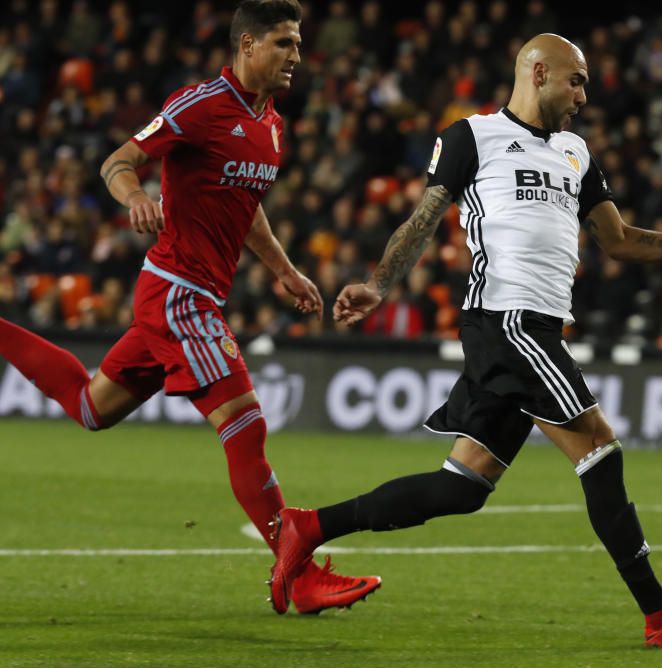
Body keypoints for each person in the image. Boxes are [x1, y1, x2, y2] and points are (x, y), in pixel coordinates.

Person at [268, 33, 662, 649]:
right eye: (576, 81)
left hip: (537, 327)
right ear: (540, 72)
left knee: (461, 488)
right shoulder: (473, 136)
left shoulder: (577, 153)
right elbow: (424, 218)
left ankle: (306, 526)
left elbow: (619, 238)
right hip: (507, 322)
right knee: (600, 449)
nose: (583, 95)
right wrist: (378, 283)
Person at [0, 0, 379, 615]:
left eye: (299, 43)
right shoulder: (199, 105)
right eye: (284, 42)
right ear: (248, 44)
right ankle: (300, 575)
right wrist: (136, 196)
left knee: (92, 408)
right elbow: (118, 161)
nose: (297, 55)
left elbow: (246, 203)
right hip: (180, 291)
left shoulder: (273, 127)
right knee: (246, 424)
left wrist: (283, 268)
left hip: (189, 294)